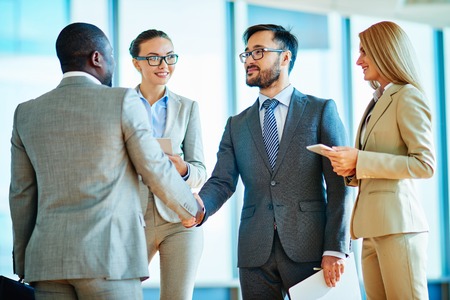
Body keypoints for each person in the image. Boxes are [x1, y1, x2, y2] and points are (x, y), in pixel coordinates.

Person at [9, 22, 204, 300]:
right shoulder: (123, 100)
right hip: (107, 259)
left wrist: (23, 261)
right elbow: (154, 168)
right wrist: (190, 208)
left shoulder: (25, 112)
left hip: (47, 263)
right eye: (111, 55)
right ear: (97, 58)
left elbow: (21, 193)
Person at [193, 24, 353, 299]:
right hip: (255, 251)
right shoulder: (236, 125)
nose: (250, 60)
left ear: (285, 57)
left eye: (259, 51)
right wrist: (199, 207)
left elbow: (341, 184)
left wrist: (335, 247)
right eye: (246, 54)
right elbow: (222, 181)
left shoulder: (320, 111)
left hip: (311, 246)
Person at [323, 21, 435, 299]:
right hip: (371, 229)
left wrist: (361, 160)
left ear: (384, 51)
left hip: (398, 227)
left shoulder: (407, 97)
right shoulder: (377, 100)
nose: (358, 60)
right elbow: (377, 161)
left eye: (365, 51)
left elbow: (424, 164)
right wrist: (351, 166)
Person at [129, 29, 207, 300]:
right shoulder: (118, 105)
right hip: (130, 218)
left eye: (169, 57)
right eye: (153, 58)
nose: (164, 65)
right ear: (136, 62)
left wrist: (183, 169)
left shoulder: (187, 107)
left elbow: (199, 171)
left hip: (179, 218)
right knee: (119, 292)